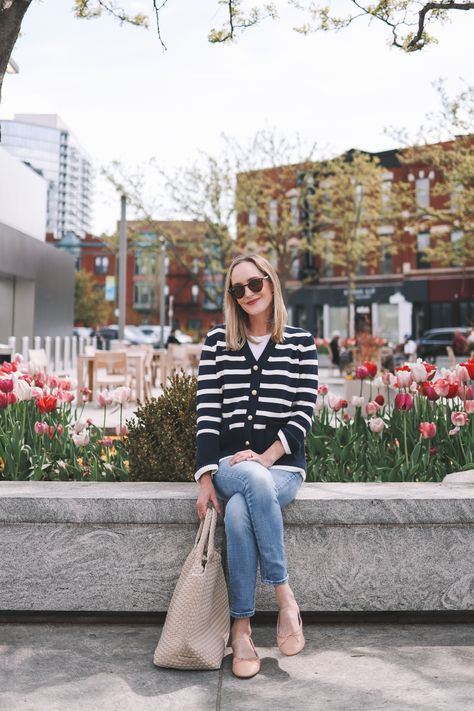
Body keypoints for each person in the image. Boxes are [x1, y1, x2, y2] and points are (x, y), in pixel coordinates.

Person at [195, 253, 318, 679]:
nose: (248, 293)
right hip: (230, 464)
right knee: (246, 478)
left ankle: (242, 627)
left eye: (255, 284)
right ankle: (285, 599)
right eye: (238, 289)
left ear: (271, 282)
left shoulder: (301, 342)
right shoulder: (217, 342)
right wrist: (206, 478)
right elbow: (208, 412)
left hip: (282, 468)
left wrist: (266, 458)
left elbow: (303, 413)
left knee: (241, 509)